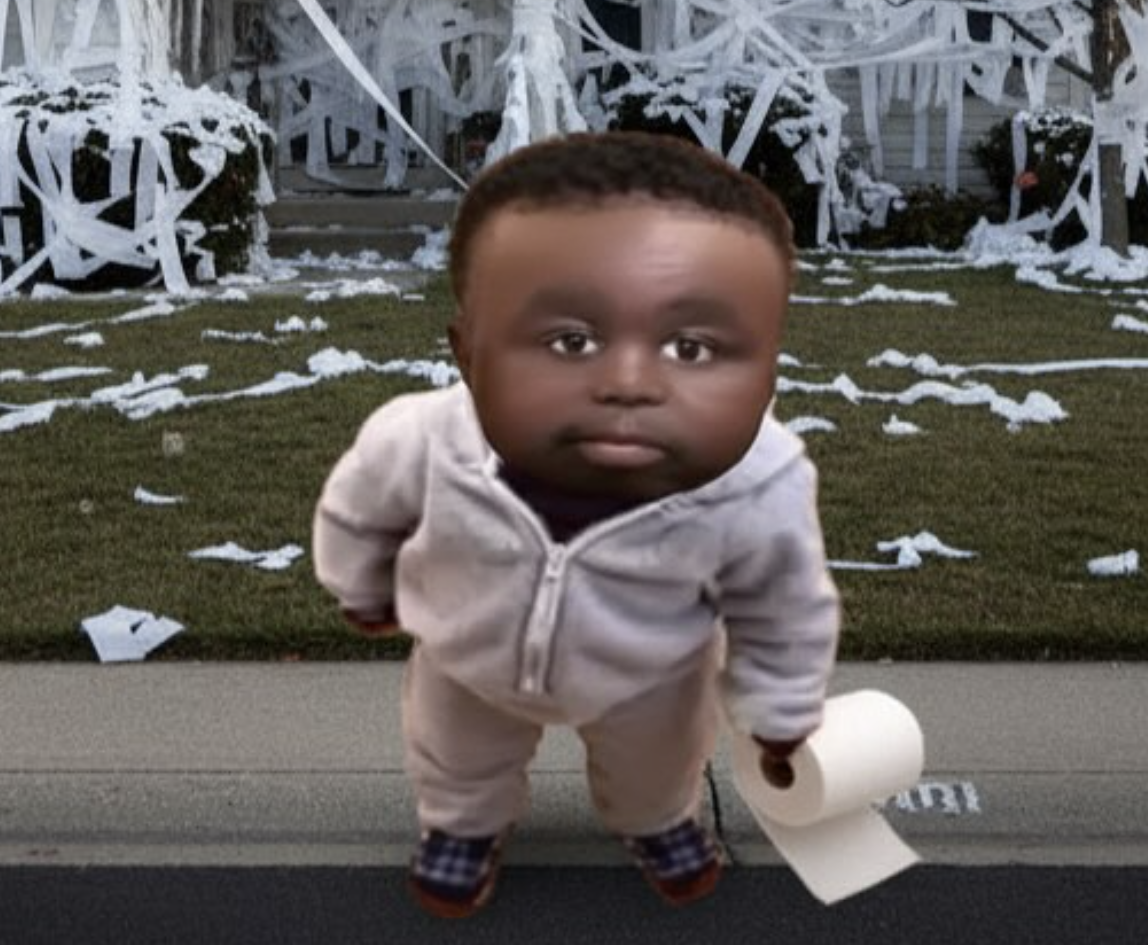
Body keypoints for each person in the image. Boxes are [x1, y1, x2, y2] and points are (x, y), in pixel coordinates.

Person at [312, 130, 839, 915]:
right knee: (457, 753)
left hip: (650, 673)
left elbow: (784, 605)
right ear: (469, 354)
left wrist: (781, 712)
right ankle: (462, 829)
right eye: (571, 341)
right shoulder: (419, 440)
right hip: (470, 652)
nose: (629, 383)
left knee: (657, 765)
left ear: (768, 369)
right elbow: (360, 509)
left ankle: (658, 821)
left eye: (691, 348)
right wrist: (360, 585)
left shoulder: (757, 485)